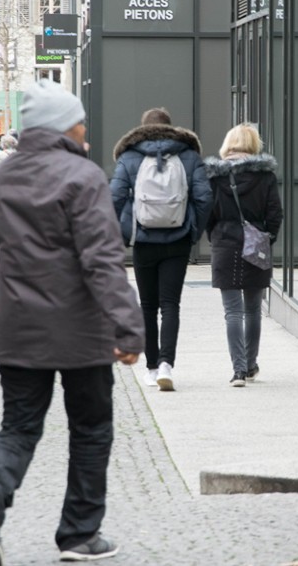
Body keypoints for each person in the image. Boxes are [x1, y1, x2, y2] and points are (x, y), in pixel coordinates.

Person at [0, 79, 143, 566]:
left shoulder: (3, 177)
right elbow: (102, 261)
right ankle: (79, 535)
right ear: (65, 125)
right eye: (81, 122)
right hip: (80, 331)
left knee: (18, 427)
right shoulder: (82, 177)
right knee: (90, 428)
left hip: (17, 327)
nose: (87, 130)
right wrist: (128, 327)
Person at [110, 107, 212, 392]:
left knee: (147, 306)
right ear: (171, 127)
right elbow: (204, 197)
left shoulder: (130, 156)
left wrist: (120, 235)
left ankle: (152, 368)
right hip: (178, 240)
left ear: (142, 128)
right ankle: (167, 364)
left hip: (143, 241)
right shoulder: (189, 156)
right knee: (170, 305)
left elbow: (114, 198)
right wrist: (193, 232)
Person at [203, 123, 283, 387]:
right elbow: (275, 214)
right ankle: (250, 366)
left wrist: (215, 235)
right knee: (253, 311)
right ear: (253, 144)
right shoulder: (266, 176)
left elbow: (208, 214)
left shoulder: (215, 176)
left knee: (232, 312)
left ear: (229, 144)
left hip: (225, 244)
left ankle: (237, 371)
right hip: (256, 245)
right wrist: (267, 238)